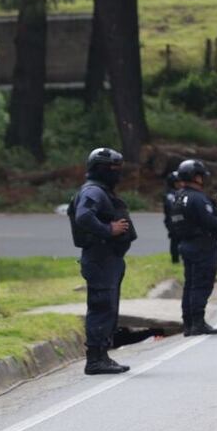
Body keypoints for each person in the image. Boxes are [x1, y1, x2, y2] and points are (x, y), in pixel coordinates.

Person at [68, 147, 137, 375]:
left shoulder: (101, 191)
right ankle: (95, 360)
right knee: (101, 307)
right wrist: (110, 230)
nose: (118, 173)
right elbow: (84, 216)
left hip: (108, 258)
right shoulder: (93, 192)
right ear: (100, 169)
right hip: (99, 258)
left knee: (108, 307)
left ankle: (102, 356)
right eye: (113, 169)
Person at [170, 159, 217, 336]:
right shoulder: (197, 198)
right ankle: (197, 322)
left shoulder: (178, 197)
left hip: (186, 244)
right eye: (201, 176)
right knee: (201, 284)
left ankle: (188, 323)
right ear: (196, 177)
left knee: (190, 284)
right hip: (202, 246)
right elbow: (209, 221)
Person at [163, 171, 184, 264]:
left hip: (180, 220)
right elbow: (172, 207)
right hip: (173, 220)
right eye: (177, 182)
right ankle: (175, 259)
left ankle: (182, 257)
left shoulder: (181, 193)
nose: (180, 184)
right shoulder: (170, 195)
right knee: (175, 239)